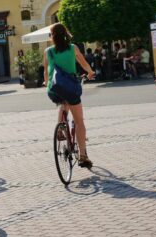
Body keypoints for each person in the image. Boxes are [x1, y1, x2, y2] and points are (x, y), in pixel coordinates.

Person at [43, 23, 95, 168]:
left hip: (53, 89)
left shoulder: (48, 51)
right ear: (66, 34)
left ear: (52, 37)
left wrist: (46, 83)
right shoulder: (73, 48)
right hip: (70, 88)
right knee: (79, 121)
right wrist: (90, 73)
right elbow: (84, 64)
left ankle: (60, 128)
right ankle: (83, 156)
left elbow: (46, 73)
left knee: (62, 102)